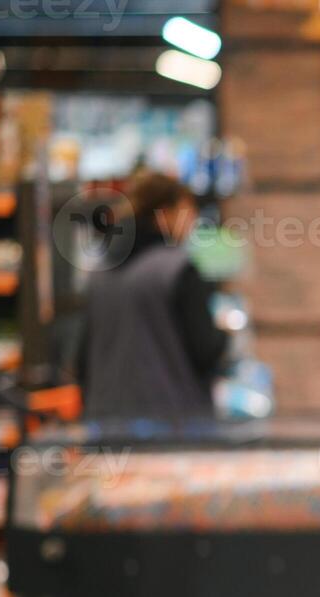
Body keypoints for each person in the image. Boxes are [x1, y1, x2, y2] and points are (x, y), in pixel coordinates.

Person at [81, 171, 229, 419]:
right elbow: (205, 350)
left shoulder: (99, 273)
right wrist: (225, 333)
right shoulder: (179, 269)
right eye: (188, 210)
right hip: (171, 424)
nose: (193, 221)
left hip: (106, 424)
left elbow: (81, 358)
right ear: (165, 214)